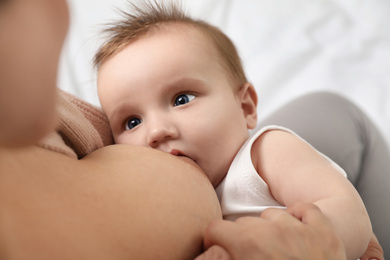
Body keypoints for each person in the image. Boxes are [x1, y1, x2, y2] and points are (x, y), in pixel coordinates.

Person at [0, 0, 367, 259]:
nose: (156, 132)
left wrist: (328, 240)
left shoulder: (265, 154)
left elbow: (344, 207)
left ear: (246, 106)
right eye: (131, 122)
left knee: (334, 111)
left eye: (181, 99)